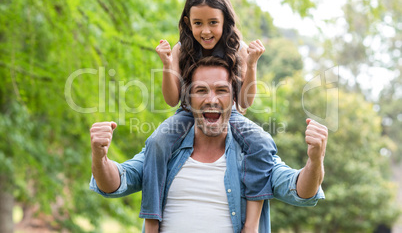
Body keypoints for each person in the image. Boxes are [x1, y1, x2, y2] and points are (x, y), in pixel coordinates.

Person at [89, 56, 327, 233]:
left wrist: (315, 161)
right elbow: (114, 183)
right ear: (188, 100)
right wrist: (100, 158)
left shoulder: (252, 155)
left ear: (233, 99)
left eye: (221, 90)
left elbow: (299, 190)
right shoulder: (165, 150)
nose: (211, 99)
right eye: (201, 90)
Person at [143, 0, 276, 232]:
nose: (205, 31)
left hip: (229, 114)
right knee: (156, 143)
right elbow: (172, 100)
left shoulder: (238, 49)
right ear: (187, 22)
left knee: (262, 142)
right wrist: (166, 63)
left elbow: (245, 103)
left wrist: (252, 63)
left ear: (225, 20)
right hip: (187, 114)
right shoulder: (182, 50)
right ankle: (151, 220)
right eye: (198, 23)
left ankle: (252, 225)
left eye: (213, 22)